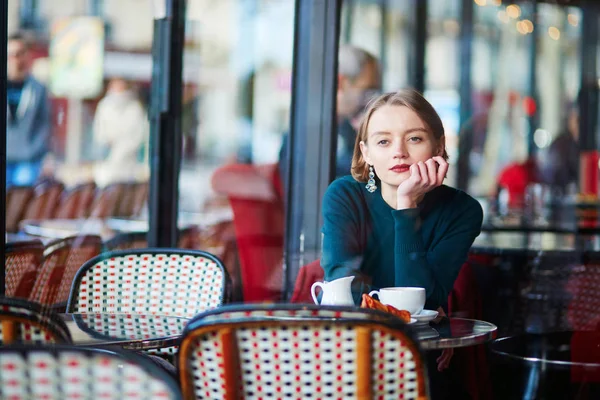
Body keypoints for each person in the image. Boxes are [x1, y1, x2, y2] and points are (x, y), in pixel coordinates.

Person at [320, 89, 483, 389]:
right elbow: (344, 289)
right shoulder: (343, 196)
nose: (399, 152)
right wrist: (424, 312)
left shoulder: (462, 210)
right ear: (365, 152)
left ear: (439, 146)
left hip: (420, 355)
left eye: (415, 138)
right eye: (383, 141)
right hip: (348, 348)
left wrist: (406, 206)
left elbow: (423, 300)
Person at [279, 45, 381, 181]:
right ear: (340, 83)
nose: (370, 100)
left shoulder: (348, 128)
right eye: (366, 91)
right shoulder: (305, 134)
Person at [6, 32, 51, 187]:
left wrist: (36, 151)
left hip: (27, 161)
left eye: (18, 54)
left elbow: (45, 123)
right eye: (10, 55)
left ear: (26, 56)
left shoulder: (37, 89)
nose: (14, 59)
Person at [92, 77, 149, 187]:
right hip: (110, 167)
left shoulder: (134, 108)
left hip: (127, 168)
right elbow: (100, 136)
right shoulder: (105, 106)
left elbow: (139, 138)